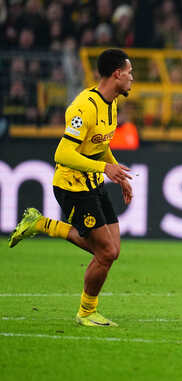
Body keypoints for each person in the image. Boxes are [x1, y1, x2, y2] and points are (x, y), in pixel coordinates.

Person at [8, 49, 134, 327]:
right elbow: (62, 153)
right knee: (107, 253)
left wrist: (117, 172)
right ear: (116, 74)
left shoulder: (111, 103)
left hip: (93, 183)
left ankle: (41, 224)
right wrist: (104, 168)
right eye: (129, 73)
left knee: (113, 250)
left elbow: (100, 145)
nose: (131, 79)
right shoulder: (84, 106)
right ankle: (87, 313)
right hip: (71, 185)